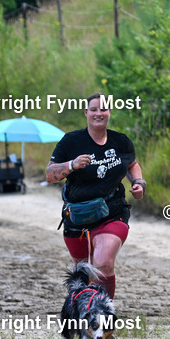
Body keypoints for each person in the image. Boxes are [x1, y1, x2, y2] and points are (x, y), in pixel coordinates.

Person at [46, 94, 146, 299]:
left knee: (102, 263)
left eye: (103, 109)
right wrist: (71, 165)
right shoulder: (71, 141)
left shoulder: (121, 141)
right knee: (82, 271)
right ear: (86, 112)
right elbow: (49, 175)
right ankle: (83, 310)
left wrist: (138, 183)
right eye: (93, 109)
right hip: (77, 215)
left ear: (109, 112)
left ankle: (104, 316)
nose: (98, 113)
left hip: (112, 211)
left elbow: (132, 165)